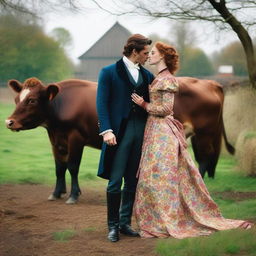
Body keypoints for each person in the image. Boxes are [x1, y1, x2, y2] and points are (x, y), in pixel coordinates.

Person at [131, 41, 252, 238]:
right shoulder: (158, 78)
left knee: (162, 177)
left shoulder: (168, 80)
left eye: (153, 53)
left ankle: (167, 219)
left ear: (162, 56)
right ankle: (155, 220)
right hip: (154, 130)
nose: (149, 55)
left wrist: (143, 104)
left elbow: (166, 109)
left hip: (162, 131)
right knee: (151, 177)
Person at [96, 34, 154, 242]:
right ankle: (112, 226)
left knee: (133, 180)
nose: (148, 56)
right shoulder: (108, 72)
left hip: (142, 133)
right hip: (118, 134)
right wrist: (107, 130)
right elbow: (102, 104)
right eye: (146, 52)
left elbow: (154, 104)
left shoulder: (148, 76)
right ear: (135, 52)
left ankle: (124, 223)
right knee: (115, 181)